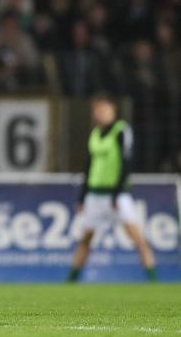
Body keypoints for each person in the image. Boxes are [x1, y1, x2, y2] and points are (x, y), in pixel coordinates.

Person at [67, 94, 157, 282]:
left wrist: (117, 193)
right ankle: (71, 280)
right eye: (98, 110)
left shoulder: (121, 131)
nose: (101, 113)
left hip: (117, 195)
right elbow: (89, 167)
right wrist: (82, 196)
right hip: (95, 195)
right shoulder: (94, 134)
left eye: (104, 109)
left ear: (113, 110)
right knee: (85, 238)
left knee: (136, 237)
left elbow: (126, 163)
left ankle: (153, 279)